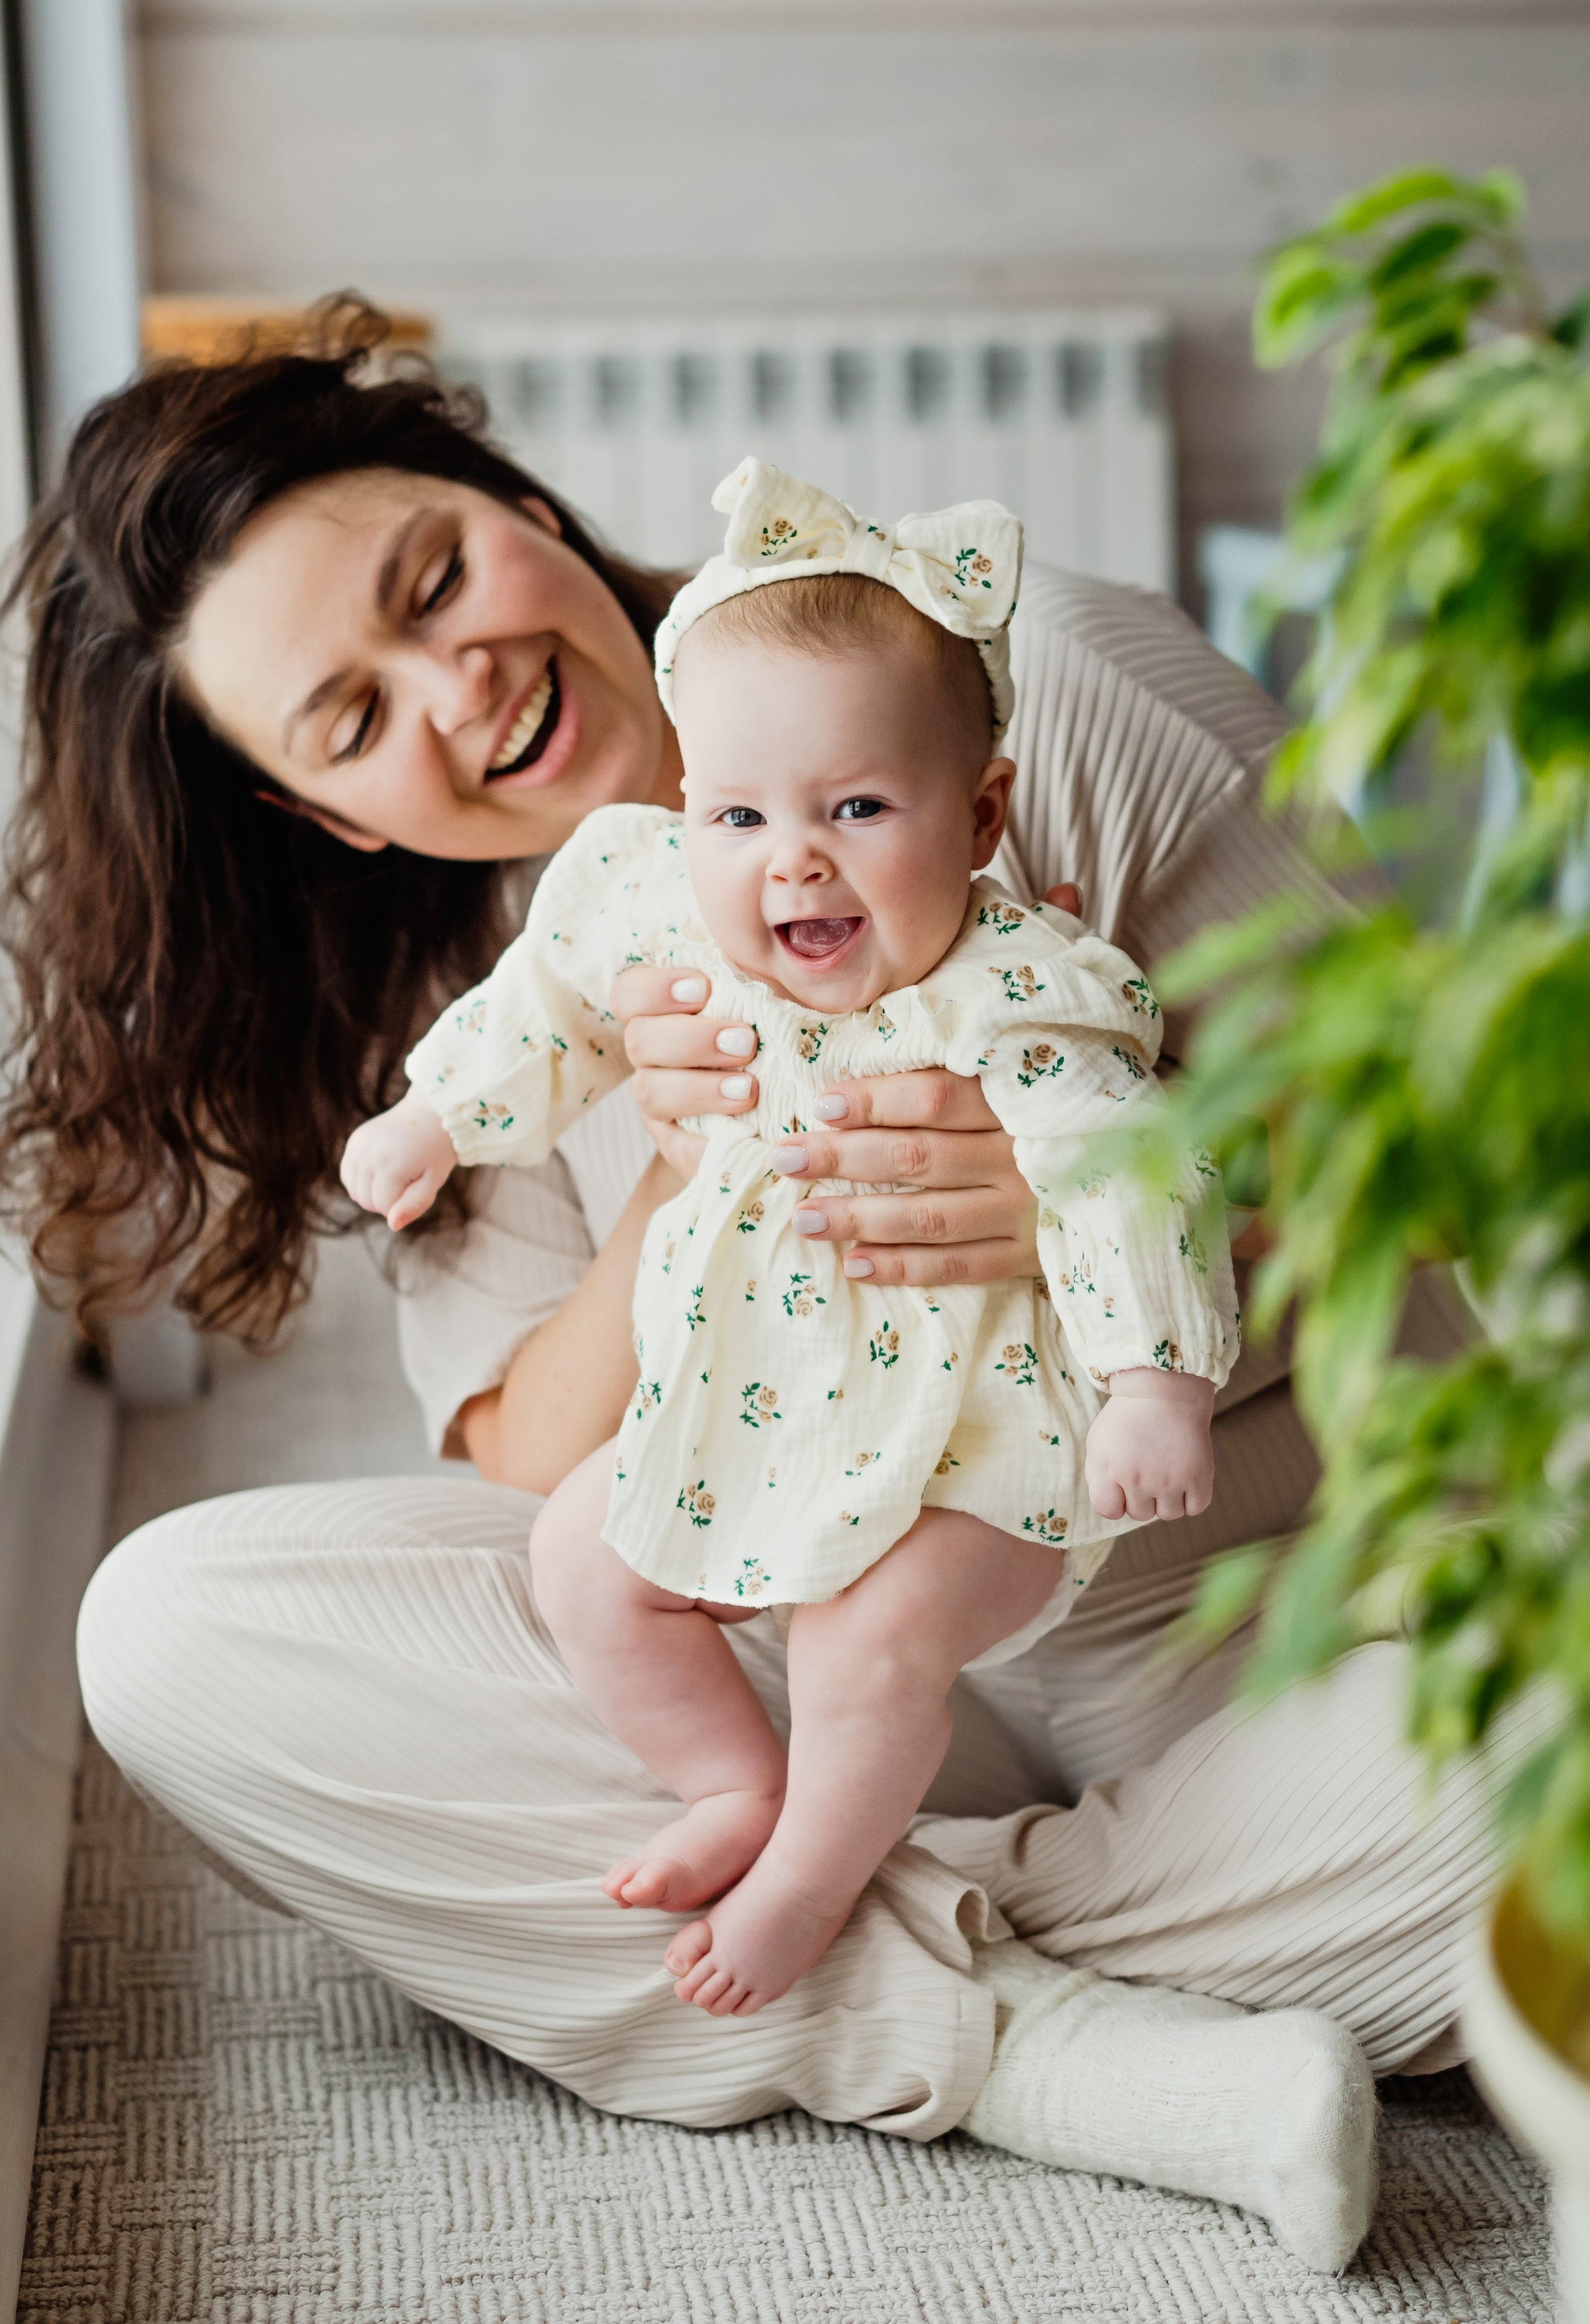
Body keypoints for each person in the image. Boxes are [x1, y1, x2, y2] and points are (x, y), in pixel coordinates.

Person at [2, 314, 1491, 2277]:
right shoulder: (526, 958)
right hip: (812, 1649)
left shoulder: (1024, 689)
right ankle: (1045, 2029)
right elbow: (527, 1460)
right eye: (352, 724)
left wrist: (1088, 1202)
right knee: (176, 1628)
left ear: (517, 500)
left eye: (437, 581)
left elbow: (1450, 1140)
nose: (457, 692)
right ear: (328, 817)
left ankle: (921, 1974)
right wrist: (696, 1169)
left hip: (1274, 1614)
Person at [343, 459, 1238, 2017]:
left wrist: (1155, 1380)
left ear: (981, 818)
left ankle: (823, 1883)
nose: (791, 859)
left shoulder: (1013, 996)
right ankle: (740, 1793)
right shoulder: (654, 908)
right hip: (759, 1401)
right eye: (739, 813)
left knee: (863, 1641)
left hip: (976, 1444)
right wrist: (433, 1123)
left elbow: (1126, 1175)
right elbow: (537, 1014)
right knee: (574, 1556)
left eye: (857, 809)